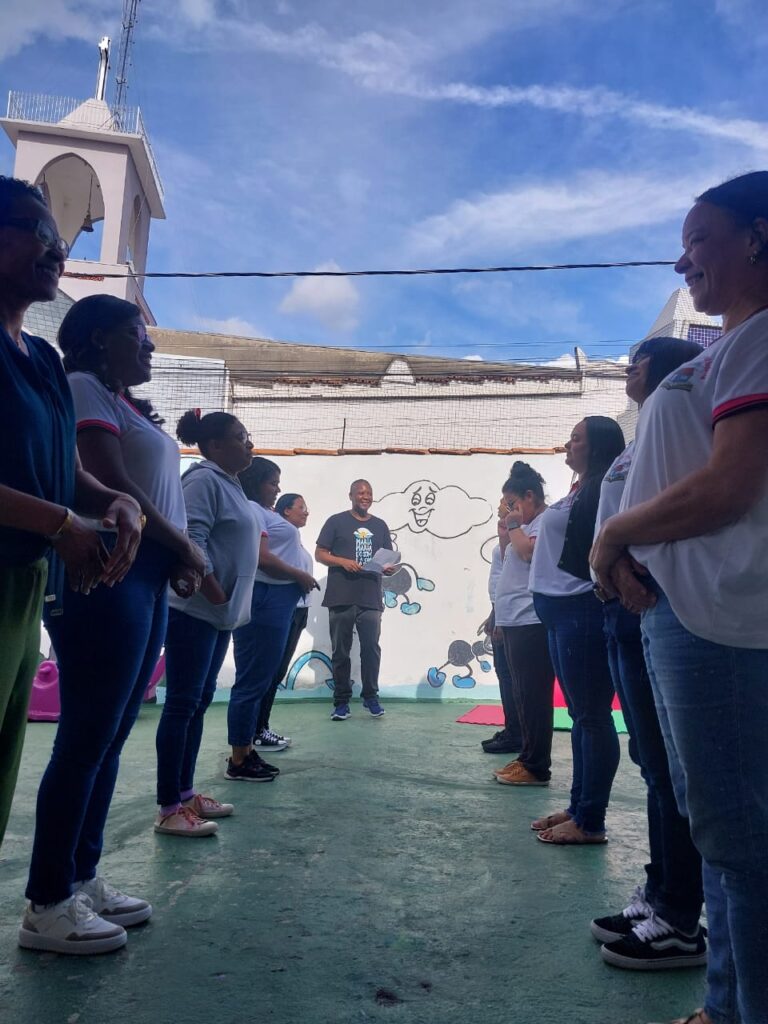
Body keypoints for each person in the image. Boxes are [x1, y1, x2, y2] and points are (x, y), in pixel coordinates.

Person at [592, 172, 768, 1024]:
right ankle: (727, 1003)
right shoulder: (730, 349)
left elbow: (731, 486)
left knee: (739, 838)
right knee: (725, 833)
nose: (681, 259)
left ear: (758, 239)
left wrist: (613, 536)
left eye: (699, 239)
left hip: (721, 619)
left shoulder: (761, 338)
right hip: (685, 613)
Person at [20, 294, 205, 956]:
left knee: (112, 736)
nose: (149, 346)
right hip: (105, 565)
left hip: (144, 571)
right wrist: (186, 548)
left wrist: (175, 556)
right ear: (99, 338)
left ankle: (81, 878)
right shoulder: (81, 387)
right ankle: (47, 903)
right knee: (85, 738)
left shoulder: (124, 403)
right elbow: (108, 481)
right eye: (136, 334)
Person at [0, 177, 142, 854]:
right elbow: (57, 503)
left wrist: (114, 501)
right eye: (37, 232)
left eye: (59, 239)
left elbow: (66, 470)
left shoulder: (43, 361)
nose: (57, 250)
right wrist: (60, 524)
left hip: (24, 585)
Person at [590, 338, 707, 972]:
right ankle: (661, 890)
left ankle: (679, 915)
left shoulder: (682, 417)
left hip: (651, 598)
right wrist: (607, 569)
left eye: (638, 360)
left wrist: (623, 565)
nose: (628, 369)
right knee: (652, 762)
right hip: (620, 602)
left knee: (669, 767)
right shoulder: (638, 443)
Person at [154, 410, 260, 837]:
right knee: (182, 704)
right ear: (215, 445)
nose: (249, 443)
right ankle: (169, 808)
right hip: (194, 611)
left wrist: (225, 604)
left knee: (198, 702)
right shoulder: (202, 480)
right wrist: (215, 591)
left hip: (218, 615)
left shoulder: (229, 483)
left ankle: (186, 793)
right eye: (240, 437)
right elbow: (190, 539)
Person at [528, 416, 625, 844]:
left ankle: (591, 820)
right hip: (558, 613)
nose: (568, 445)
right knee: (581, 716)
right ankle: (577, 806)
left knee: (592, 716)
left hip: (581, 611)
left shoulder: (604, 487)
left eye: (576, 439)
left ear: (598, 446)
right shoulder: (580, 489)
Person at [226, 458, 318, 781]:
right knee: (252, 681)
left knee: (261, 679)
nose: (277, 489)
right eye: (272, 483)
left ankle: (246, 749)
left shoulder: (262, 512)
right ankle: (239, 759)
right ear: (256, 482)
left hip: (277, 601)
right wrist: (300, 576)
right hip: (267, 599)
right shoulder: (254, 510)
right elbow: (261, 558)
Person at [492, 462, 556, 787]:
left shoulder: (545, 521)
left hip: (530, 619)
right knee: (522, 694)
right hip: (515, 620)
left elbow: (529, 554)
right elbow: (510, 558)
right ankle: (528, 756)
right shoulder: (526, 525)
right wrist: (508, 530)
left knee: (533, 695)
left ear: (530, 496)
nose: (509, 511)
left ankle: (536, 765)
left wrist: (514, 524)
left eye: (513, 503)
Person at [315, 479, 394, 721]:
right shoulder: (336, 521)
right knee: (341, 651)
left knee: (371, 649)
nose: (365, 496)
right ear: (350, 495)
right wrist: (342, 562)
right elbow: (320, 554)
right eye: (360, 492)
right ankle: (341, 702)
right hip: (341, 597)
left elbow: (387, 559)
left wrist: (388, 568)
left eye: (369, 493)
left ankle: (371, 697)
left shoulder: (380, 525)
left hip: (370, 597)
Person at [252, 492, 315, 752]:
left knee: (277, 672)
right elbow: (265, 561)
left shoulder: (295, 540)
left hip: (299, 610)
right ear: (286, 510)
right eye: (301, 507)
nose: (306, 511)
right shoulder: (277, 535)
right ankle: (255, 731)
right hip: (283, 607)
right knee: (268, 670)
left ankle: (262, 726)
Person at [477, 519, 523, 755]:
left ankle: (518, 733)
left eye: (510, 505)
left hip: (513, 616)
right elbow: (499, 584)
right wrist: (493, 614)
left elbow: (514, 583)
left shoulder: (522, 544)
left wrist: (502, 619)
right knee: (503, 674)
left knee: (512, 676)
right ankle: (512, 728)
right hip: (500, 611)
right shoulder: (503, 547)